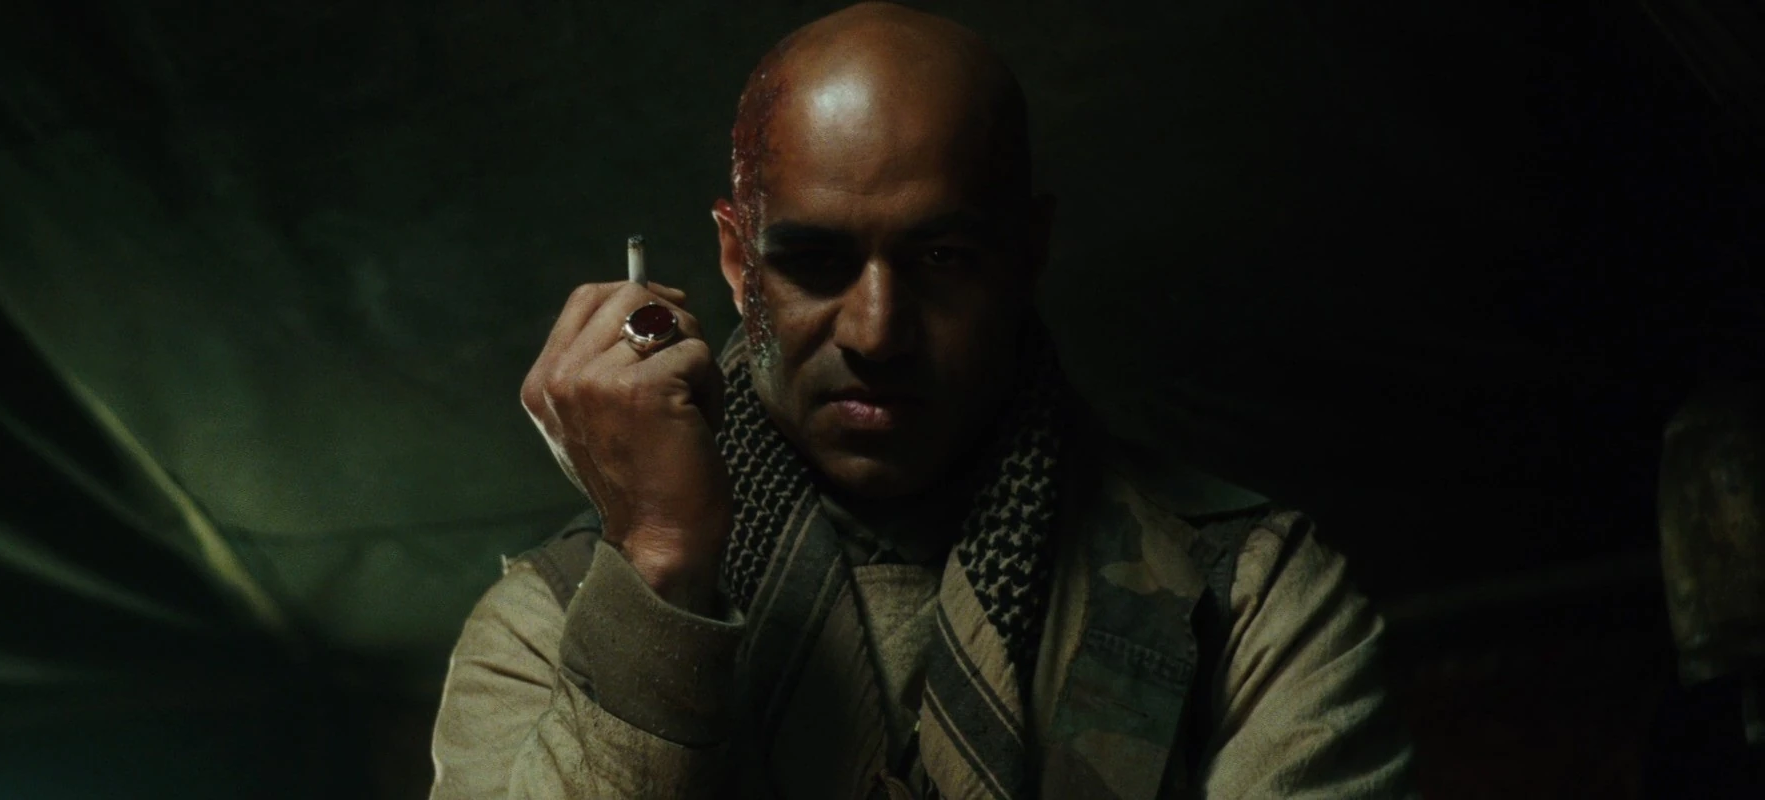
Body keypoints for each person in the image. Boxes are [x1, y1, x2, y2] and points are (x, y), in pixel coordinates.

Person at [429, 3, 1415, 797]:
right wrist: (655, 563)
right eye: (815, 260)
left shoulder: (1251, 601)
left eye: (942, 257)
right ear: (736, 260)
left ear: (1027, 253)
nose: (876, 332)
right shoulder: (548, 623)